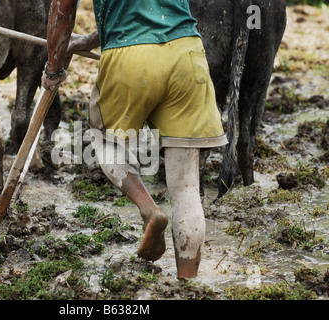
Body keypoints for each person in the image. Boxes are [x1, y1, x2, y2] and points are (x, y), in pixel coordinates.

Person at [41, 0, 228, 279]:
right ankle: (187, 285)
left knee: (103, 141)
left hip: (130, 55)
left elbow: (62, 10)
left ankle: (149, 208)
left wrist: (54, 70)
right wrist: (92, 39)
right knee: (187, 188)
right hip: (187, 54)